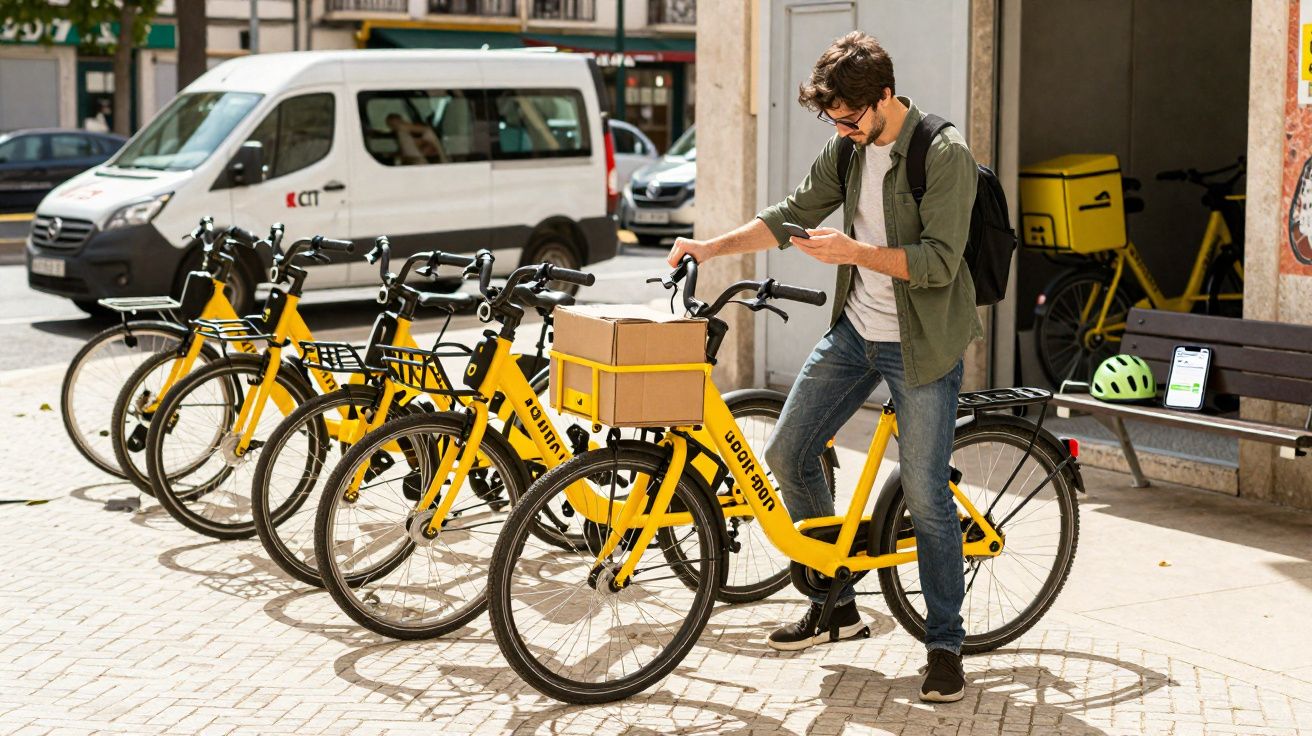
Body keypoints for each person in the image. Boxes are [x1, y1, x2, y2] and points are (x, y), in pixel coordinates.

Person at [666, 31, 981, 703]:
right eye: (834, 119)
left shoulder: (942, 155)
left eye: (849, 118)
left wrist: (854, 254)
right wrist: (709, 245)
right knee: (788, 452)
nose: (840, 129)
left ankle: (946, 644)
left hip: (923, 344)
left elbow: (937, 264)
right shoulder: (847, 147)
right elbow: (788, 218)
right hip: (857, 332)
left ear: (885, 100)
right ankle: (836, 605)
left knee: (925, 500)